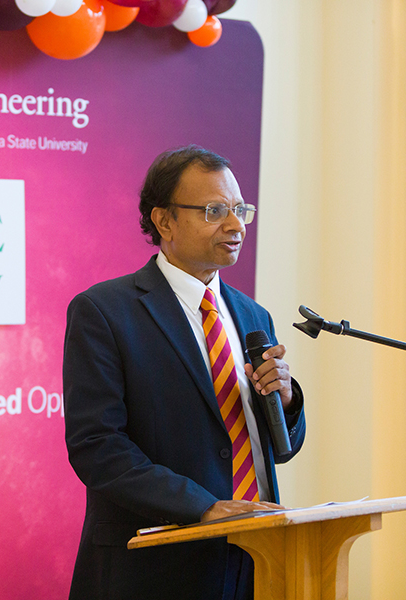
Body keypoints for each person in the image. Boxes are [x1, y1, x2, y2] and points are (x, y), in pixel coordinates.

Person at [63, 145, 306, 600]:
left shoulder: (254, 317)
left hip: (255, 559)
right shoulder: (105, 312)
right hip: (155, 566)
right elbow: (97, 446)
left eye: (239, 210)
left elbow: (277, 450)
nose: (235, 226)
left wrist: (287, 402)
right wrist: (203, 508)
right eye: (215, 211)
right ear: (164, 221)